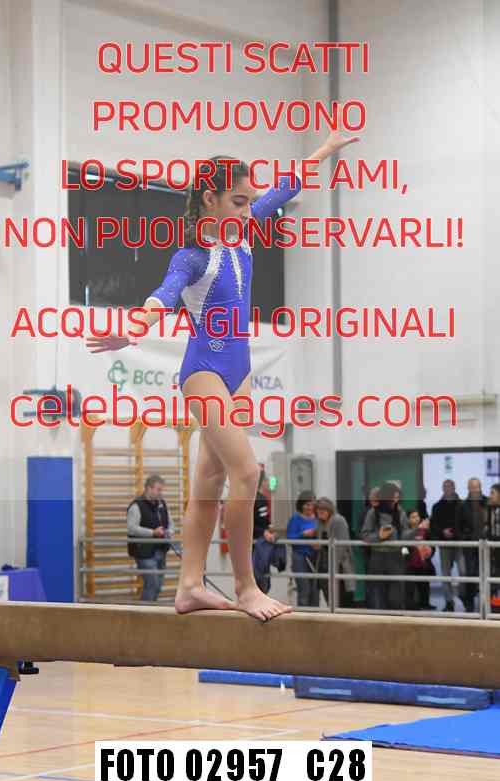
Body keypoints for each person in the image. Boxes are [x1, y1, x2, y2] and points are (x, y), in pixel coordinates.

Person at [87, 108, 359, 621]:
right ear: (209, 199)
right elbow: (164, 294)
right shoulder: (191, 256)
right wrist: (135, 326)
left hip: (240, 373)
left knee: (209, 482)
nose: (248, 209)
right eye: (238, 200)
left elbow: (285, 188)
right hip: (205, 372)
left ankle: (189, 585)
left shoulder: (244, 232)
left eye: (250, 201)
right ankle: (245, 586)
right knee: (248, 470)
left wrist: (324, 149)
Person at [361, 481, 410, 611]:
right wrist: (379, 536)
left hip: (396, 557)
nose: (396, 500)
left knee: (396, 598)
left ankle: (396, 621)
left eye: (397, 497)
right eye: (393, 497)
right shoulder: (373, 513)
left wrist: (417, 531)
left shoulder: (401, 512)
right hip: (377, 557)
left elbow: (405, 535)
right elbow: (365, 535)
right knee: (377, 597)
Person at [127, 474, 173, 601]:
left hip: (161, 550)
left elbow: (170, 522)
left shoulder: (162, 504)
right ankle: (144, 612)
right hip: (144, 553)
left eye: (162, 490)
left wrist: (169, 531)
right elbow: (132, 528)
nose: (161, 493)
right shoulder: (136, 506)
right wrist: (152, 532)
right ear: (149, 488)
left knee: (157, 586)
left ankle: (148, 609)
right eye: (158, 489)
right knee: (151, 585)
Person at [315, 497, 356, 608]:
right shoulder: (319, 523)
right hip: (324, 566)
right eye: (318, 509)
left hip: (339, 566)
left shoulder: (339, 520)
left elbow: (341, 546)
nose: (320, 512)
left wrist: (333, 567)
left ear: (329, 509)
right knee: (330, 600)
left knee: (342, 599)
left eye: (323, 509)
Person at [430, 479, 463, 612]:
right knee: (445, 574)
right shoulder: (437, 506)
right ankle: (449, 602)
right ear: (442, 488)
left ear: (454, 488)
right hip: (444, 543)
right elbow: (434, 525)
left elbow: (465, 523)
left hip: (460, 543)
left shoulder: (462, 505)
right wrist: (442, 532)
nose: (447, 489)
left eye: (450, 486)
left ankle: (464, 597)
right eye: (445, 486)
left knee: (464, 571)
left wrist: (456, 531)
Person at [456, 478, 488, 612]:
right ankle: (469, 603)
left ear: (480, 487)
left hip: (486, 547)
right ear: (468, 488)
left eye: (477, 487)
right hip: (470, 547)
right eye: (472, 487)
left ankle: (485, 605)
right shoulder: (462, 506)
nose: (475, 490)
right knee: (470, 574)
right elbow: (458, 527)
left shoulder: (488, 502)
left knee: (486, 575)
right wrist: (465, 538)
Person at [286, 491, 319, 608]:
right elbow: (289, 538)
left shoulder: (318, 518)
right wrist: (303, 535)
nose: (310, 507)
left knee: (315, 589)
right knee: (304, 589)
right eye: (307, 504)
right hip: (300, 557)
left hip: (315, 557)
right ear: (301, 505)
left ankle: (315, 615)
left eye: (312, 504)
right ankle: (303, 615)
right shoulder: (295, 519)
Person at [404, 510, 436, 611]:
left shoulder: (425, 530)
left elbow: (432, 545)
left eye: (417, 516)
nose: (416, 519)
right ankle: (411, 606)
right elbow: (403, 547)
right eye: (413, 517)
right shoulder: (406, 532)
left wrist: (429, 553)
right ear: (408, 520)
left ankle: (425, 603)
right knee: (410, 587)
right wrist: (406, 557)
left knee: (424, 585)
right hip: (410, 564)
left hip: (423, 563)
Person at [486, 483, 500, 606]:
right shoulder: (490, 509)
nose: (490, 496)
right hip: (492, 551)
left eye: (492, 493)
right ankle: (495, 607)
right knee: (493, 582)